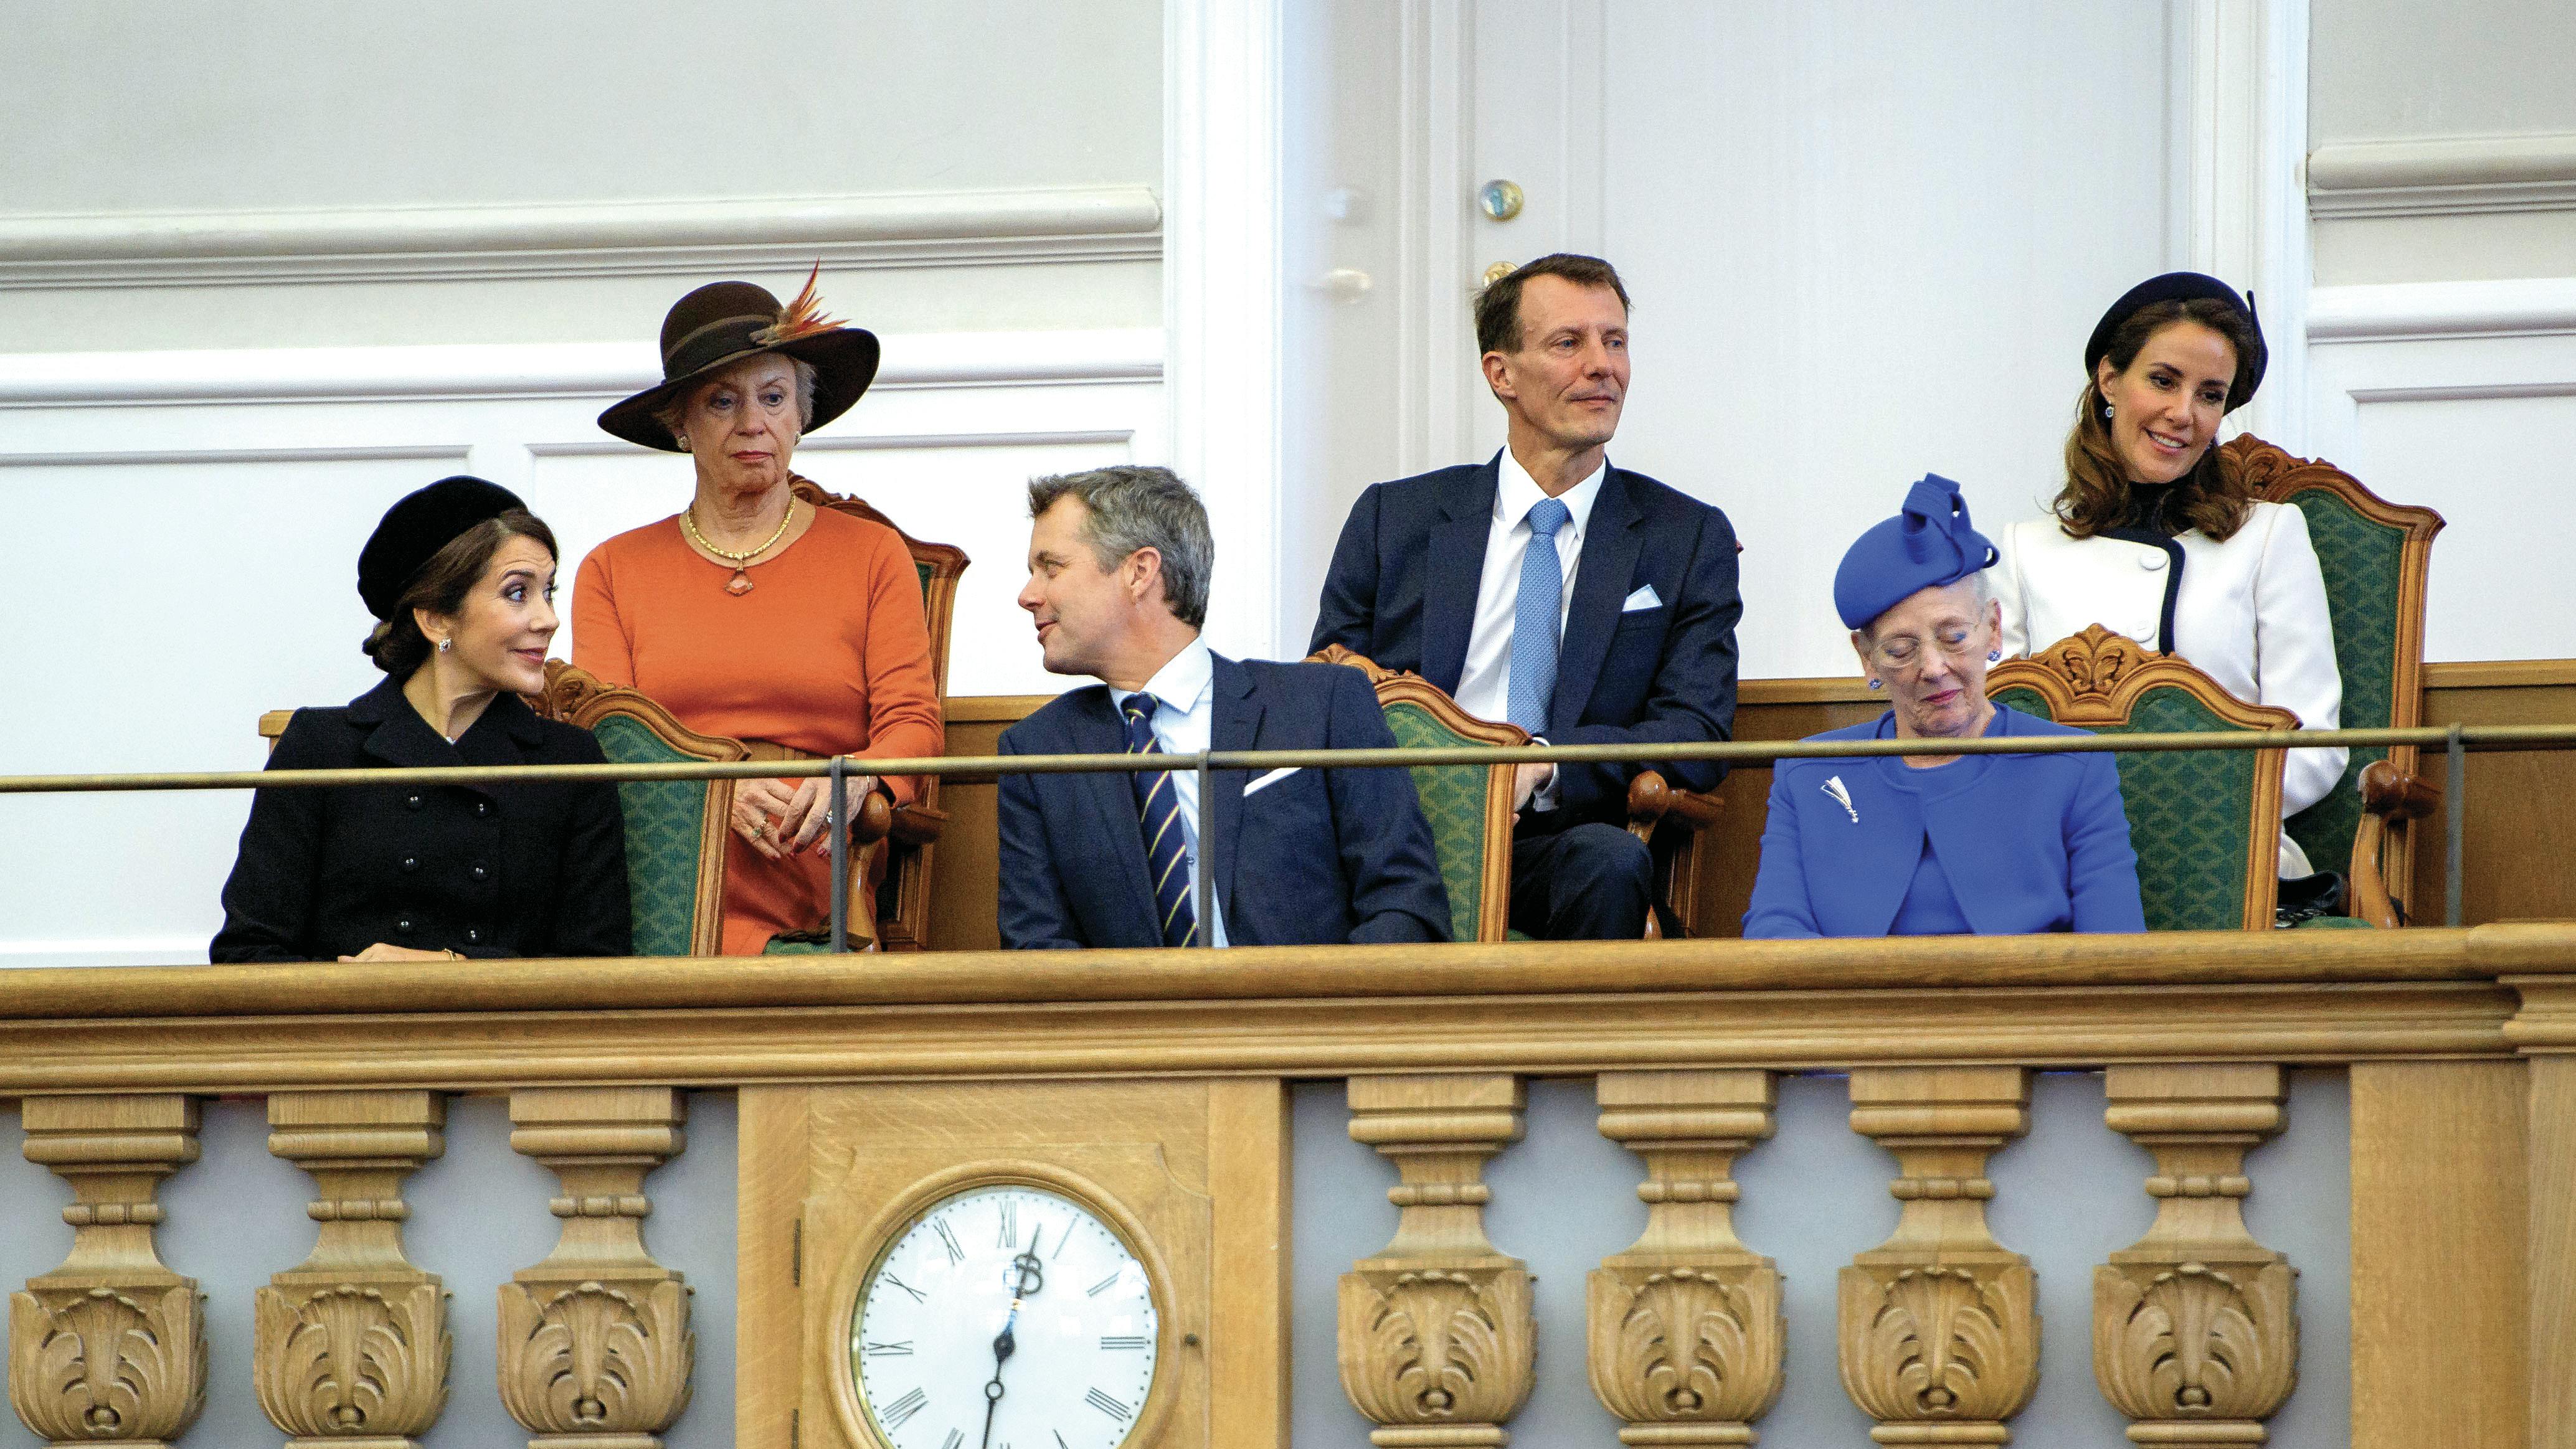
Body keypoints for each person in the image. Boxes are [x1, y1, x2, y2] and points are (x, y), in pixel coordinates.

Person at [1310, 253, 1741, 940]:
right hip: (1403, 834)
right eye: (1568, 343)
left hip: (1559, 837)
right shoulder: (1396, 519)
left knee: (1610, 863)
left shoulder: (1684, 537)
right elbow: (1326, 693)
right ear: (1500, 373)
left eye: (1615, 340)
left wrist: (1541, 761)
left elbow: (1696, 730)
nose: (1602, 365)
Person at [576, 270, 942, 953]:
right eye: (721, 401)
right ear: (680, 424)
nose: (753, 423)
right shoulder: (612, 568)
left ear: (801, 415)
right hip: (667, 857)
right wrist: (709, 794)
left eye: (773, 397)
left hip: (815, 842)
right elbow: (609, 740)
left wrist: (855, 782)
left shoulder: (872, 554)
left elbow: (911, 722)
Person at [1000, 466, 1449, 949]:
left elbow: (1405, 904)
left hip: (1315, 1015)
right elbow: (1037, 955)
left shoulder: (1324, 706)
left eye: (1051, 567)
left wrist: (1326, 1016)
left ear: (1139, 572)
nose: (1029, 595)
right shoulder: (1036, 756)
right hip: (1141, 1021)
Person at [1991, 271, 2341, 879]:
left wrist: (2193, 815)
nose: (2183, 413)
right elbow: (1992, 738)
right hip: (2053, 862)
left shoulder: (2269, 537)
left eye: (2209, 394)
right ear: (2108, 378)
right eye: (2162, 380)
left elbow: (2313, 742)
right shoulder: (2023, 552)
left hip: (2230, 862)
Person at [214, 477, 632, 962]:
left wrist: (448, 968)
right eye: (518, 593)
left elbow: (597, 967)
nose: (549, 619)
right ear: (435, 619)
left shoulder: (569, 762)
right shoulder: (320, 748)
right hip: (348, 1034)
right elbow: (247, 952)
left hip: (507, 1036)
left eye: (548, 592)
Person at [1745, 476, 2144, 938]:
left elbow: (2115, 948)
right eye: (1900, 650)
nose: (1933, 667)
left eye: (1954, 637)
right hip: (1857, 1008)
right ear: (1866, 657)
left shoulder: (2073, 765)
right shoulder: (1810, 771)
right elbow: (1774, 931)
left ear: (1993, 628)